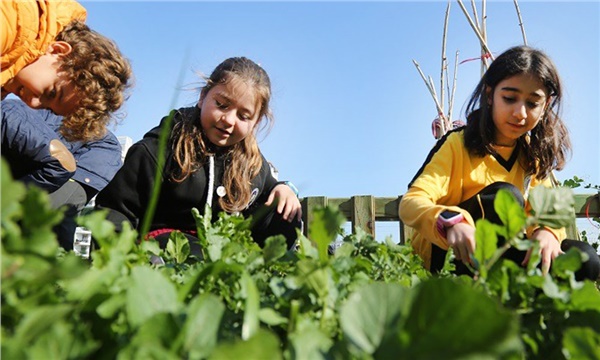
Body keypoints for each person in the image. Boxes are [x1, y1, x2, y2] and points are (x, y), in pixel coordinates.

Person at [399, 46, 600, 281]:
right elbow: (412, 203)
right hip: (454, 261)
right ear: (489, 94)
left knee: (586, 259)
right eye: (509, 98)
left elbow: (546, 213)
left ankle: (530, 308)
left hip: (511, 258)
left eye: (533, 103)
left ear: (545, 106)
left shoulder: (532, 155)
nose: (520, 113)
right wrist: (452, 223)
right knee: (504, 196)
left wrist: (546, 232)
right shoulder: (456, 144)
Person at [95, 57, 302, 253]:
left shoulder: (252, 164)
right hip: (160, 255)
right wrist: (123, 259)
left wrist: (282, 188)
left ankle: (264, 276)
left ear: (255, 122)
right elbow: (116, 209)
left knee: (283, 211)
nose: (229, 120)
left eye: (243, 116)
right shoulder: (160, 149)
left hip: (220, 261)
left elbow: (269, 186)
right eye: (221, 105)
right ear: (203, 97)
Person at [1, 0, 132, 143]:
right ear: (58, 50)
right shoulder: (13, 22)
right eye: (51, 93)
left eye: (46, 108)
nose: (32, 104)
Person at [1, 99, 123, 250]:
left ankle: (64, 268)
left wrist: (12, 196)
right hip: (53, 159)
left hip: (85, 157)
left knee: (44, 220)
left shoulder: (11, 120)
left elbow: (61, 164)